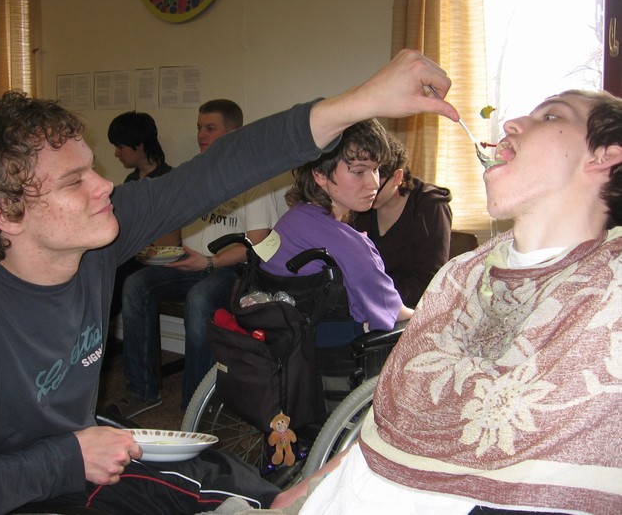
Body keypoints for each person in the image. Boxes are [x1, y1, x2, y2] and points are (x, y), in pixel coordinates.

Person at [0, 49, 459, 514]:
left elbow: (223, 167)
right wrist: (67, 458)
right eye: (73, 181)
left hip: (75, 447)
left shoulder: (95, 246)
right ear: (5, 214)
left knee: (221, 471)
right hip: (26, 487)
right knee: (224, 497)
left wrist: (362, 101)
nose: (104, 186)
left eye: (94, 169)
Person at [263, 88, 622, 515]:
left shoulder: (608, 288)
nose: (511, 124)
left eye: (551, 116)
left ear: (604, 156)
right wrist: (314, 485)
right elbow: (390, 420)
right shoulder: (459, 275)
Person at [113, 99, 278, 416]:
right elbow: (174, 232)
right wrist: (157, 251)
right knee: (136, 284)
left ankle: (196, 406)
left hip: (232, 270)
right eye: (199, 127)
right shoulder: (195, 173)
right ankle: (142, 391)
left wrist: (210, 262)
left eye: (210, 128)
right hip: (192, 264)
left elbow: (258, 245)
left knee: (200, 298)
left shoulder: (254, 177)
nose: (201, 134)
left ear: (234, 133)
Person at [257, 118, 413, 347]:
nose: (373, 183)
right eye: (359, 172)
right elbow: (397, 313)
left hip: (286, 342)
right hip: (330, 349)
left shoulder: (290, 221)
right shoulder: (352, 245)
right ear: (320, 173)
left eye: (375, 169)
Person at [353, 133, 452, 308]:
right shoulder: (359, 206)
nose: (367, 191)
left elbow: (429, 279)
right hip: (370, 302)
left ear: (397, 178)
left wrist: (380, 302)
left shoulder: (429, 206)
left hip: (412, 308)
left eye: (376, 186)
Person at [107, 111, 178, 319]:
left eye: (120, 147)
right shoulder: (131, 181)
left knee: (118, 276)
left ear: (139, 146)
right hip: (132, 253)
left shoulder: (167, 180)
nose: (116, 153)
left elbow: (169, 240)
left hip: (155, 257)